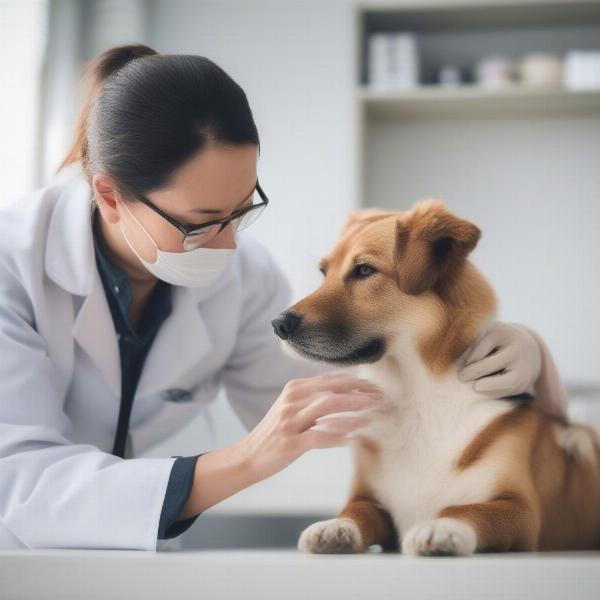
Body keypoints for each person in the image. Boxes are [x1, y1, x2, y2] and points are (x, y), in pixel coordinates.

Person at [0, 44, 567, 551]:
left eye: (241, 211)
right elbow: (20, 483)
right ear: (110, 193)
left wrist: (524, 362)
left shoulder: (244, 278)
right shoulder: (14, 263)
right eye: (201, 223)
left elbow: (348, 420)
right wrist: (249, 458)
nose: (227, 246)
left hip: (125, 550)